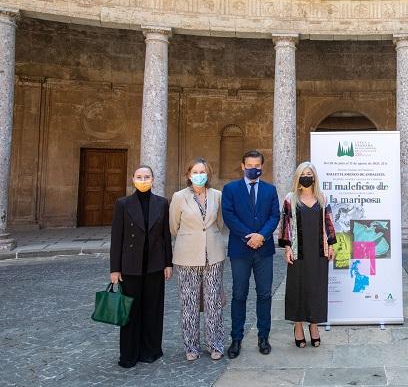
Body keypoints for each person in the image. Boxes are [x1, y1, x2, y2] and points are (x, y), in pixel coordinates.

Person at [109, 165, 173, 369]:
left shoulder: (162, 203)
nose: (143, 180)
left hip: (155, 265)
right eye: (139, 177)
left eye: (147, 177)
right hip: (130, 266)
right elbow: (116, 238)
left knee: (153, 309)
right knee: (130, 311)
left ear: (153, 180)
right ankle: (129, 354)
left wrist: (168, 263)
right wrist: (114, 269)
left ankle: (151, 350)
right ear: (133, 179)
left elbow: (166, 236)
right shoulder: (123, 204)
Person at [222, 150, 280, 358]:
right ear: (242, 166)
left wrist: (261, 236)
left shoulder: (270, 190)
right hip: (240, 249)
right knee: (239, 295)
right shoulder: (230, 189)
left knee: (264, 295)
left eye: (257, 165)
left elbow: (274, 216)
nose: (253, 169)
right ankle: (236, 339)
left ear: (262, 167)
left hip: (264, 250)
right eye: (249, 165)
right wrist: (248, 236)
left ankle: (263, 337)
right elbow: (229, 215)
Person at [169, 157, 227, 361]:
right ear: (188, 174)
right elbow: (173, 227)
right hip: (187, 257)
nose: (199, 175)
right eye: (195, 172)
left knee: (213, 302)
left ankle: (215, 344)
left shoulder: (217, 196)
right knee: (189, 303)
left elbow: (220, 223)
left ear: (208, 174)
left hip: (213, 255)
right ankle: (191, 346)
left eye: (202, 171)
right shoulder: (179, 197)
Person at [278, 162, 337, 348]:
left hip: (319, 250)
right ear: (297, 177)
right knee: (297, 288)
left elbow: (329, 222)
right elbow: (285, 225)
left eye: (309, 173)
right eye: (303, 173)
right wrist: (287, 248)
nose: (306, 176)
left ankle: (313, 325)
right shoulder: (290, 198)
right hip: (298, 251)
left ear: (314, 177)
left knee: (316, 288)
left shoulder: (322, 198)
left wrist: (332, 244)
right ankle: (297, 326)